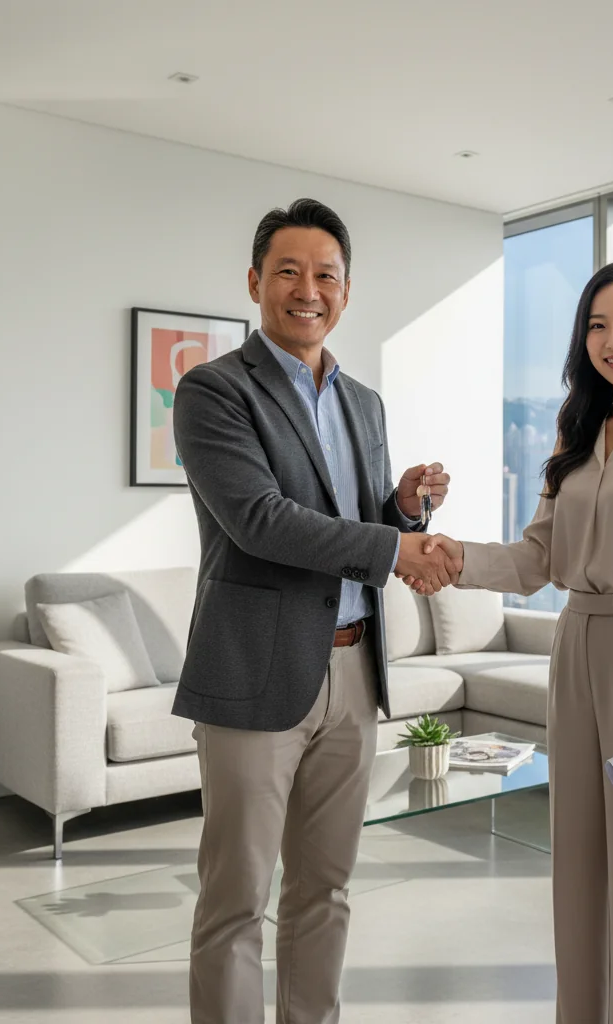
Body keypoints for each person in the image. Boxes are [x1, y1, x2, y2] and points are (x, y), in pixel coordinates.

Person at [402, 261, 613, 1023]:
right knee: (579, 869)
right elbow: (537, 559)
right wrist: (455, 557)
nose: (612, 340)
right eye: (596, 324)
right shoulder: (576, 431)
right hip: (575, 645)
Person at [171, 198, 460, 1024]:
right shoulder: (212, 390)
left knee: (326, 891)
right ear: (256, 281)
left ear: (346, 288)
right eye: (289, 271)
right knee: (235, 900)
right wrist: (393, 550)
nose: (308, 289)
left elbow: (355, 516)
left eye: (325, 274)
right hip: (255, 672)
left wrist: (401, 510)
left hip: (353, 666)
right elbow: (258, 520)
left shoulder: (363, 402)